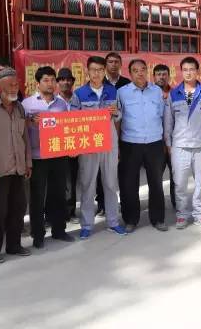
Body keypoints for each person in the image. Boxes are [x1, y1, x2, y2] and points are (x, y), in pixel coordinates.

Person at [70, 56, 127, 239]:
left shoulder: (113, 91)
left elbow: (119, 116)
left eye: (100, 70)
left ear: (104, 71)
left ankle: (113, 222)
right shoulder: (79, 94)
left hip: (109, 142)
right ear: (87, 71)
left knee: (110, 183)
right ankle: (87, 225)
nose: (97, 73)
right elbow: (72, 121)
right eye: (93, 70)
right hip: (88, 144)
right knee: (88, 184)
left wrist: (116, 112)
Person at [0, 68, 32, 263]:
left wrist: (28, 163)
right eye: (10, 85)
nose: (14, 88)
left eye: (16, 84)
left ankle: (14, 245)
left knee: (18, 208)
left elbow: (25, 137)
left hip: (18, 168)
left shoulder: (20, 108)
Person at [22, 66, 75, 248]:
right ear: (37, 83)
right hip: (37, 157)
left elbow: (67, 127)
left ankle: (59, 230)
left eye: (53, 80)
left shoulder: (61, 104)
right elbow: (20, 129)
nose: (50, 84)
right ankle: (38, 234)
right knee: (37, 197)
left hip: (58, 154)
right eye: (46, 80)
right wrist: (30, 121)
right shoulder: (27, 104)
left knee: (58, 194)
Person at [163, 57, 201, 230]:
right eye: (185, 69)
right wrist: (169, 144)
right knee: (179, 184)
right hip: (180, 147)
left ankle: (200, 214)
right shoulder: (174, 94)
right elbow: (168, 121)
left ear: (197, 71)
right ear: (181, 72)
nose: (188, 73)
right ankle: (182, 215)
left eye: (191, 69)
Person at [117, 59, 167, 233]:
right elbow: (118, 119)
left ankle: (158, 219)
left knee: (156, 183)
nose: (140, 73)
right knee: (129, 184)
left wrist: (165, 142)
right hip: (130, 143)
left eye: (143, 69)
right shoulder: (122, 92)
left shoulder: (157, 91)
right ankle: (131, 219)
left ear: (147, 71)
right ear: (130, 73)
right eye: (135, 70)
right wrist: (117, 145)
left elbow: (163, 116)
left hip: (154, 142)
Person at [96, 52, 131, 214]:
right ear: (105, 65)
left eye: (116, 61)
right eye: (110, 62)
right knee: (102, 172)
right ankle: (102, 204)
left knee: (124, 172)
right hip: (103, 135)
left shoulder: (127, 84)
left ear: (121, 64)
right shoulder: (97, 84)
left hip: (125, 133)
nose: (113, 64)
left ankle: (126, 203)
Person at [56, 67, 79, 222]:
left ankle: (70, 212)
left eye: (69, 79)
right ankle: (55, 213)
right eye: (62, 79)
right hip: (57, 146)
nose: (66, 82)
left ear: (72, 82)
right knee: (57, 182)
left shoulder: (78, 100)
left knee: (71, 180)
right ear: (58, 82)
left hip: (76, 146)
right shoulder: (54, 101)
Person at [153, 64, 176, 209]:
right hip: (156, 144)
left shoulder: (175, 93)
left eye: (164, 74)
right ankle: (157, 205)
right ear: (154, 77)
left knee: (176, 175)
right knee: (156, 177)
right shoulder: (149, 94)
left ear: (169, 76)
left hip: (174, 142)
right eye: (158, 74)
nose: (161, 77)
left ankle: (176, 202)